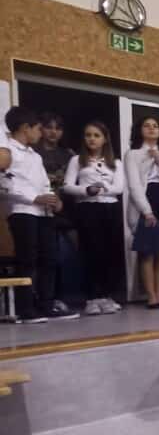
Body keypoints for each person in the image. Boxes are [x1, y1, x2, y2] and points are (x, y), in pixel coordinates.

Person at [0, 107, 76, 322]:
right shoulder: (7, 152)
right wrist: (34, 198)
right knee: (27, 259)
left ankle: (47, 304)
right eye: (38, 129)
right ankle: (26, 309)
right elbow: (5, 186)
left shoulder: (35, 155)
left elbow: (44, 183)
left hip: (44, 213)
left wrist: (53, 199)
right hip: (22, 211)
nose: (40, 133)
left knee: (49, 259)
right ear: (26, 128)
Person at [63, 121, 124, 315]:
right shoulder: (76, 160)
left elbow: (119, 188)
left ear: (105, 139)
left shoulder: (115, 162)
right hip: (88, 208)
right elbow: (67, 186)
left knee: (110, 253)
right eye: (88, 135)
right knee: (91, 252)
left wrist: (104, 188)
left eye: (96, 135)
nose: (92, 139)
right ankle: (91, 298)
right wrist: (87, 190)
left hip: (110, 208)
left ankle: (107, 295)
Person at [123, 116, 159, 309]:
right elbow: (134, 185)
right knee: (147, 252)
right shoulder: (133, 154)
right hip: (145, 200)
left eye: (155, 126)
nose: (151, 128)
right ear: (139, 130)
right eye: (146, 126)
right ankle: (151, 297)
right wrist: (146, 211)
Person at [36, 111, 77, 314]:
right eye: (49, 127)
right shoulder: (33, 153)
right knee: (45, 256)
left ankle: (60, 297)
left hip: (65, 210)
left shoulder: (68, 154)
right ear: (41, 129)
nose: (53, 132)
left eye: (58, 128)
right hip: (40, 208)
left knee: (65, 255)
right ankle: (44, 299)